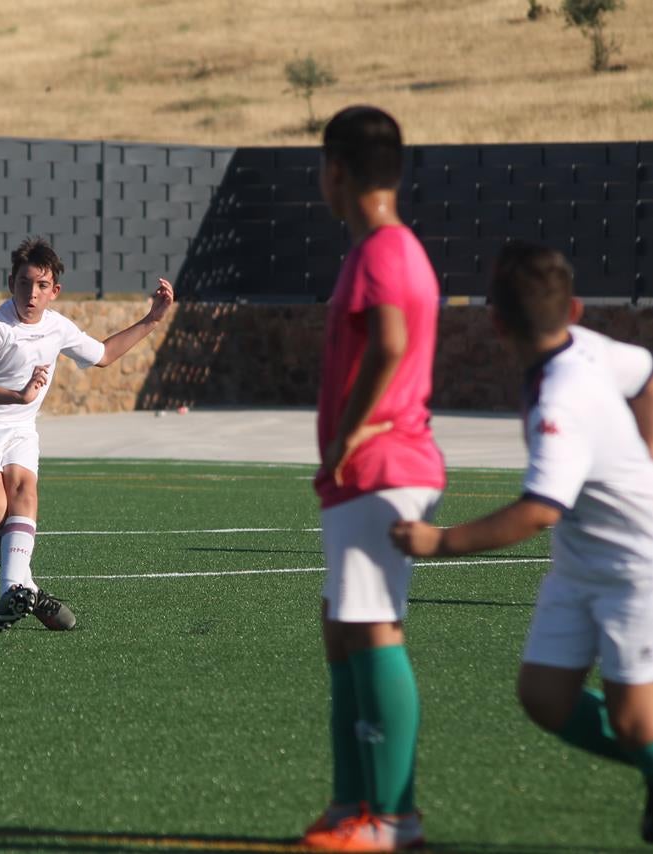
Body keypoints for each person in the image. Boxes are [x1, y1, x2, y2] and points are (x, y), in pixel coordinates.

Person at [391, 241, 653, 844]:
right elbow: (644, 369)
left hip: (634, 566)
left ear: (495, 323)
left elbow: (537, 511)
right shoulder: (588, 348)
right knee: (543, 696)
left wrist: (440, 542)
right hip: (579, 563)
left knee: (635, 721)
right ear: (577, 309)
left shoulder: (561, 399)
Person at [301, 106, 446, 852]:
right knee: (341, 628)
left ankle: (390, 819)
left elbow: (388, 342)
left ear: (336, 172)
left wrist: (351, 432)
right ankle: (353, 802)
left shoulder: (382, 250)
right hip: (365, 475)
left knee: (372, 628)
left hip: (379, 468)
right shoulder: (390, 248)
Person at [0, 236, 173, 631]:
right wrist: (16, 395)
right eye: (24, 283)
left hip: (19, 427)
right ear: (10, 283)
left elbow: (103, 355)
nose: (32, 293)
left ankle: (14, 587)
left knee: (24, 492)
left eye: (41, 286)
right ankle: (28, 589)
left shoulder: (58, 328)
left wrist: (152, 320)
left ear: (55, 291)